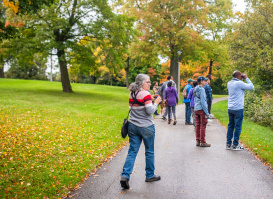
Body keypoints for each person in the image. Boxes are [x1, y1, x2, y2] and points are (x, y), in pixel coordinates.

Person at [120, 74, 162, 189]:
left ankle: (125, 175)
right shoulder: (145, 94)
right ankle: (149, 175)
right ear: (141, 83)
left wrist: (150, 98)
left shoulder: (132, 92)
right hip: (146, 127)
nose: (149, 83)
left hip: (133, 126)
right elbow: (150, 110)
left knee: (132, 151)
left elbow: (139, 103)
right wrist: (156, 102)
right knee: (149, 151)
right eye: (148, 82)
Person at [226, 71, 254, 150]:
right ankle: (235, 145)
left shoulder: (229, 83)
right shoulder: (239, 83)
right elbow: (251, 87)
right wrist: (246, 78)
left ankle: (228, 144)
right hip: (238, 108)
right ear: (238, 76)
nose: (242, 77)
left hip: (230, 108)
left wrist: (242, 78)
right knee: (238, 126)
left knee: (230, 126)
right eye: (241, 76)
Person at [194, 76, 211, 147]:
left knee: (198, 125)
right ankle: (203, 141)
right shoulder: (202, 89)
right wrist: (207, 113)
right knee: (203, 125)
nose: (205, 81)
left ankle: (198, 140)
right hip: (201, 109)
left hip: (196, 108)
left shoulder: (195, 89)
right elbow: (203, 101)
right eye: (204, 80)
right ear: (201, 81)